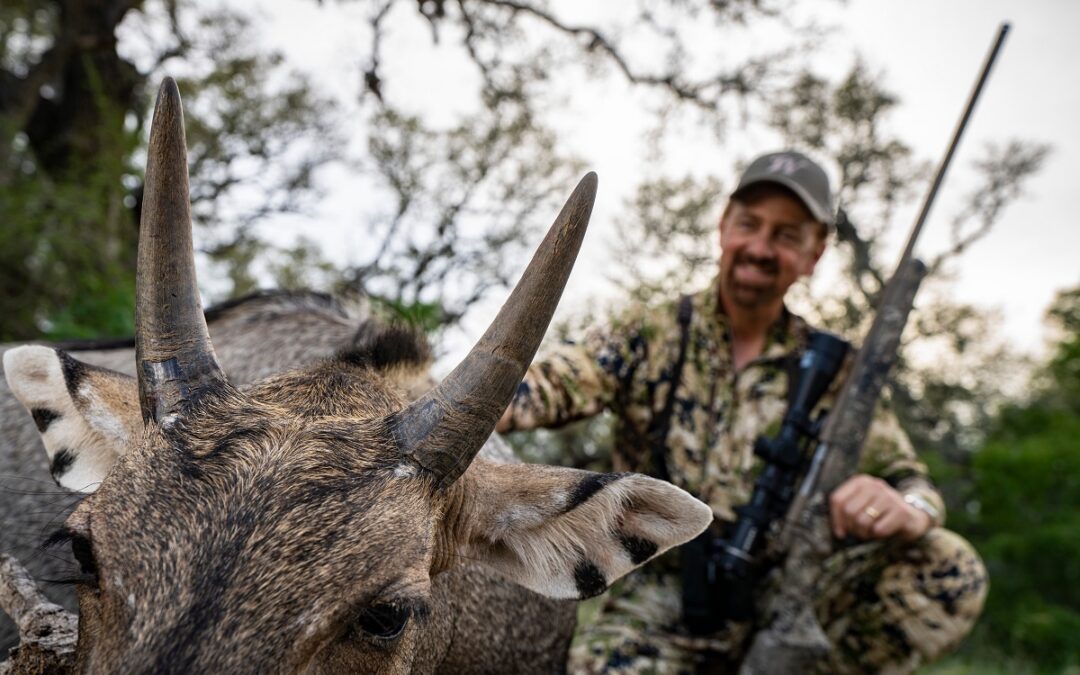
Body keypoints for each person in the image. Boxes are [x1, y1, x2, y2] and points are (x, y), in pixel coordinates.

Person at [496, 151, 988, 674]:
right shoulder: (653, 334)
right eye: (749, 225)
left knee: (949, 568)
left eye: (786, 234)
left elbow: (913, 483)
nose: (760, 247)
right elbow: (544, 387)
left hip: (784, 596)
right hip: (664, 597)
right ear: (724, 225)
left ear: (815, 254)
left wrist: (908, 508)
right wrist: (439, 409)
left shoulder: (838, 372)